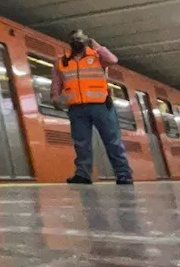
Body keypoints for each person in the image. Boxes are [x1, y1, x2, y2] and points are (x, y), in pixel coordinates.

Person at [51, 29, 134, 186]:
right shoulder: (61, 61)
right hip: (76, 108)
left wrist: (95, 45)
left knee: (112, 141)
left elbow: (113, 60)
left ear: (86, 40)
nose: (77, 42)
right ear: (69, 42)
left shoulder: (97, 56)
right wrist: (55, 96)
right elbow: (56, 82)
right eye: (73, 39)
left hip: (101, 105)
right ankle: (82, 174)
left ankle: (124, 175)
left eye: (80, 39)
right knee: (81, 143)